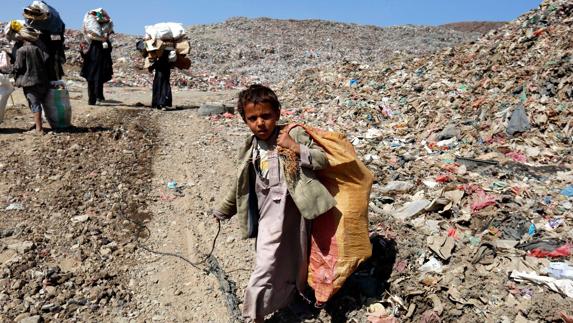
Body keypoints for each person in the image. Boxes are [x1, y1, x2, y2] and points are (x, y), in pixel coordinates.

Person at [213, 84, 336, 322]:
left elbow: (323, 160)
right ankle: (253, 314)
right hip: (268, 214)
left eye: (266, 116)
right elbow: (240, 185)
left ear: (277, 114)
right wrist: (224, 209)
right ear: (244, 120)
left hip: (296, 213)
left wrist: (294, 147)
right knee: (266, 264)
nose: (260, 123)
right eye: (253, 118)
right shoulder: (250, 147)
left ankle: (293, 299)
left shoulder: (292, 135)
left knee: (296, 260)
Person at [11, 26, 50, 134]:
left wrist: (11, 70)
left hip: (29, 82)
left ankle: (39, 129)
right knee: (37, 103)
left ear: (23, 38)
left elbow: (18, 66)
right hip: (42, 80)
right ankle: (38, 125)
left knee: (34, 104)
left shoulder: (21, 50)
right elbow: (46, 59)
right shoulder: (38, 49)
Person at [80, 38, 113, 105]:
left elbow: (107, 51)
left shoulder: (97, 41)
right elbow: (108, 51)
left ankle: (95, 98)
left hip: (95, 64)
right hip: (94, 64)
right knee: (96, 80)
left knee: (94, 81)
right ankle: (95, 98)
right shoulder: (92, 42)